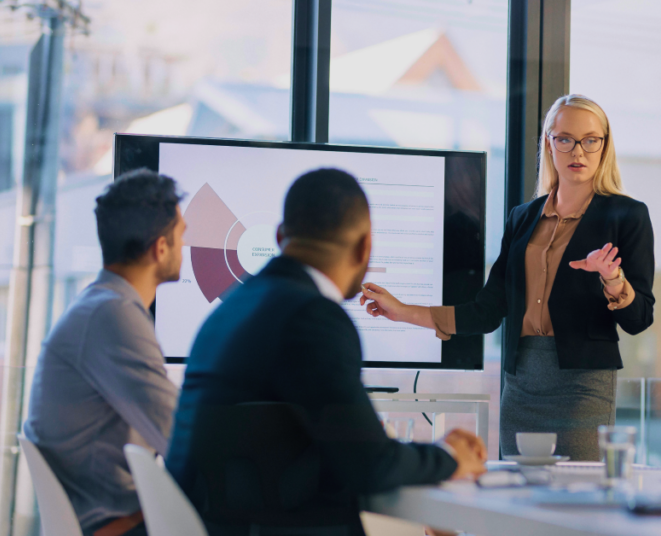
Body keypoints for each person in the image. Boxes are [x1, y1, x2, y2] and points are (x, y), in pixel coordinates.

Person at [165, 168, 487, 535]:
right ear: (365, 247)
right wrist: (448, 457)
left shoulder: (231, 308)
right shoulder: (314, 317)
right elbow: (370, 465)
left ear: (280, 236)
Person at [360, 94, 656, 461]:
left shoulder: (627, 215)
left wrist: (613, 280)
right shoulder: (523, 217)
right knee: (519, 500)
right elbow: (486, 311)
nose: (577, 150)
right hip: (521, 382)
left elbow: (640, 318)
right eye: (565, 138)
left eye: (590, 140)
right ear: (549, 143)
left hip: (583, 386)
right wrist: (402, 311)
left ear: (604, 145)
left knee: (576, 500)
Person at [23, 169, 185, 536]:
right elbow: (179, 433)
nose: (185, 248)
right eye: (182, 236)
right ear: (160, 248)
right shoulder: (114, 315)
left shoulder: (100, 305)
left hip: (109, 512)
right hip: (118, 523)